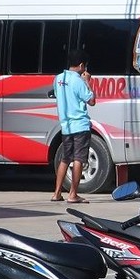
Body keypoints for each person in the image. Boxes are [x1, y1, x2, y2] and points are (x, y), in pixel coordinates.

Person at [51, 49, 96, 203]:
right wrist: (87, 82)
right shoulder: (78, 81)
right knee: (79, 158)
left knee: (65, 158)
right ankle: (73, 194)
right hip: (80, 125)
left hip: (66, 126)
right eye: (86, 67)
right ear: (82, 65)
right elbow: (92, 101)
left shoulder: (58, 78)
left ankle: (56, 193)